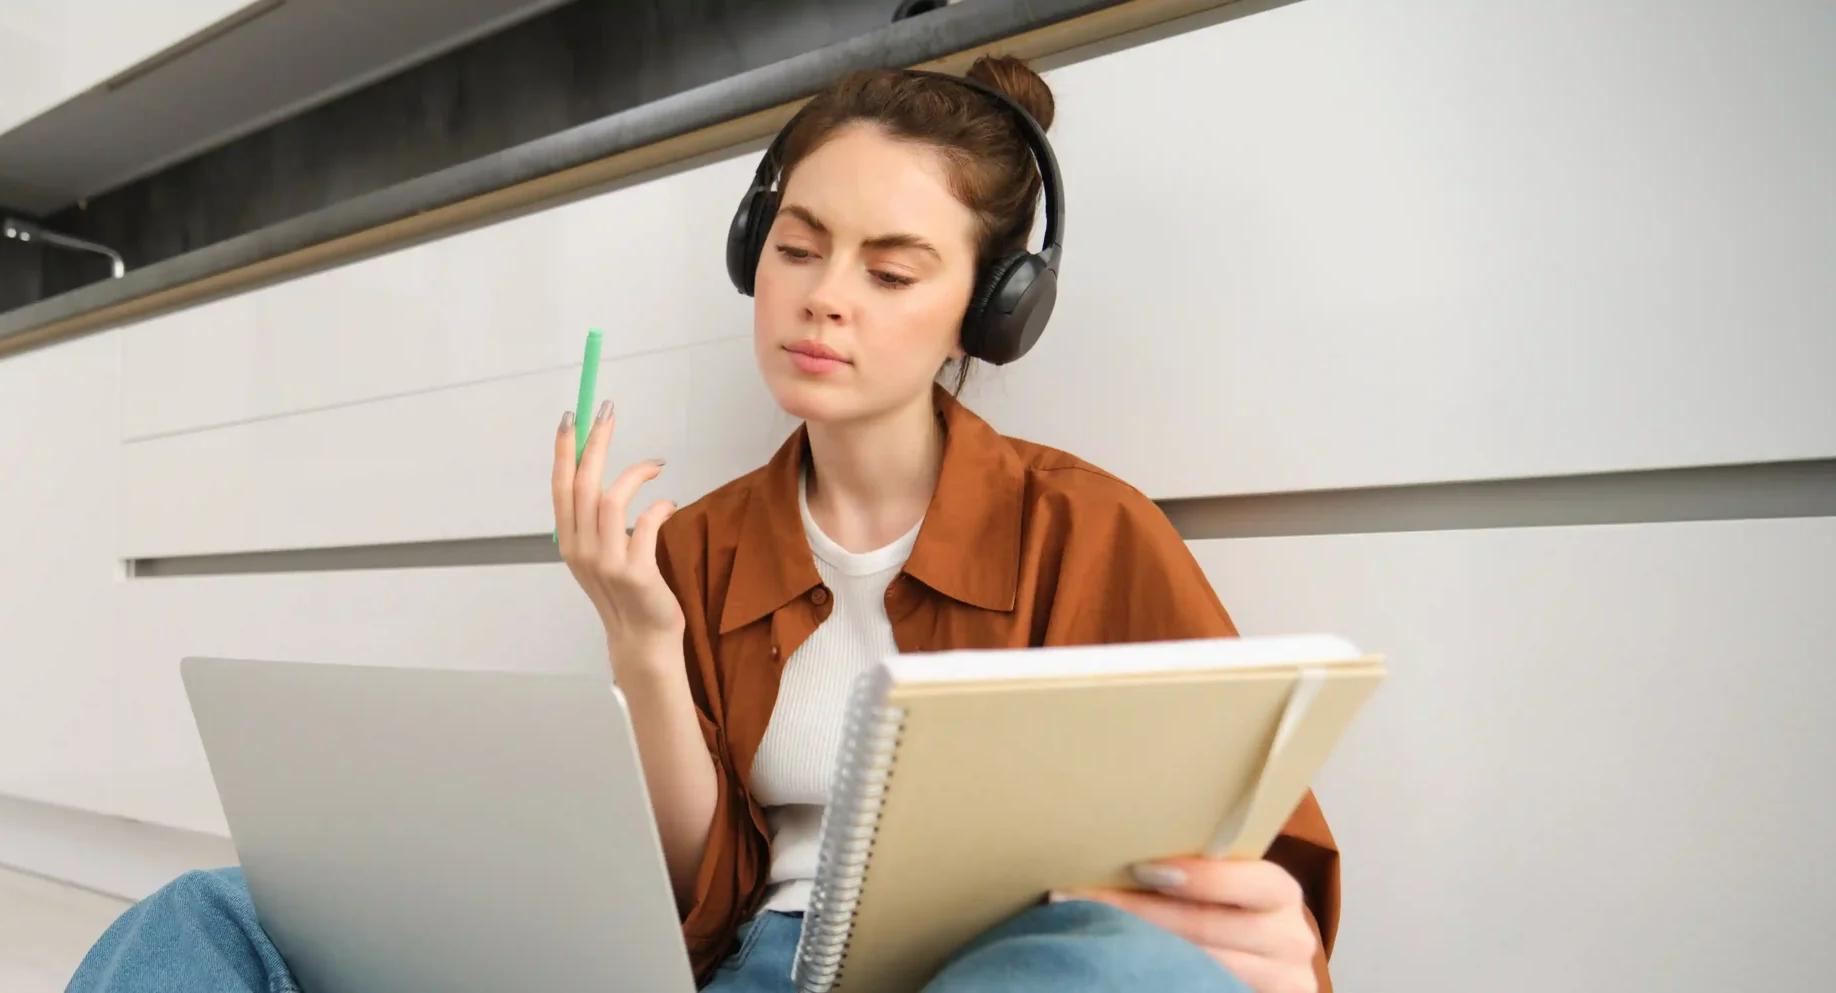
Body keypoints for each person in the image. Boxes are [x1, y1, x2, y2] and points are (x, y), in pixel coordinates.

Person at [67, 56, 1339, 993]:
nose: (825, 299)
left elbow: (1247, 863)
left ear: (991, 310)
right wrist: (637, 631)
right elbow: (688, 903)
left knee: (1117, 968)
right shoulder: (706, 544)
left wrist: (1248, 934)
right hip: (750, 970)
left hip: (994, 969)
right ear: (753, 252)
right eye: (798, 247)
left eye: (891, 272)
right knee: (215, 919)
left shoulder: (1087, 530)